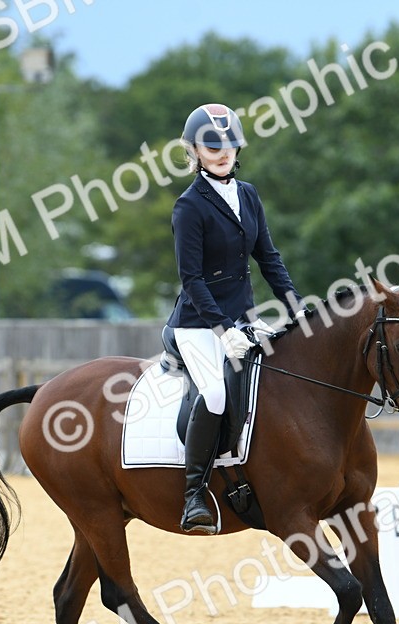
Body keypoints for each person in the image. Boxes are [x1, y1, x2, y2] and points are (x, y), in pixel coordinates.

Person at [164, 102, 303, 533]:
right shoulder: (189, 207)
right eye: (212, 146)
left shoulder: (248, 194)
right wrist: (223, 330)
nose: (222, 152)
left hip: (243, 315)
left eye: (228, 144)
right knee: (218, 395)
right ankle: (193, 495)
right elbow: (192, 279)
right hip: (196, 324)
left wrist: (295, 305)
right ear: (195, 151)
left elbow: (268, 257)